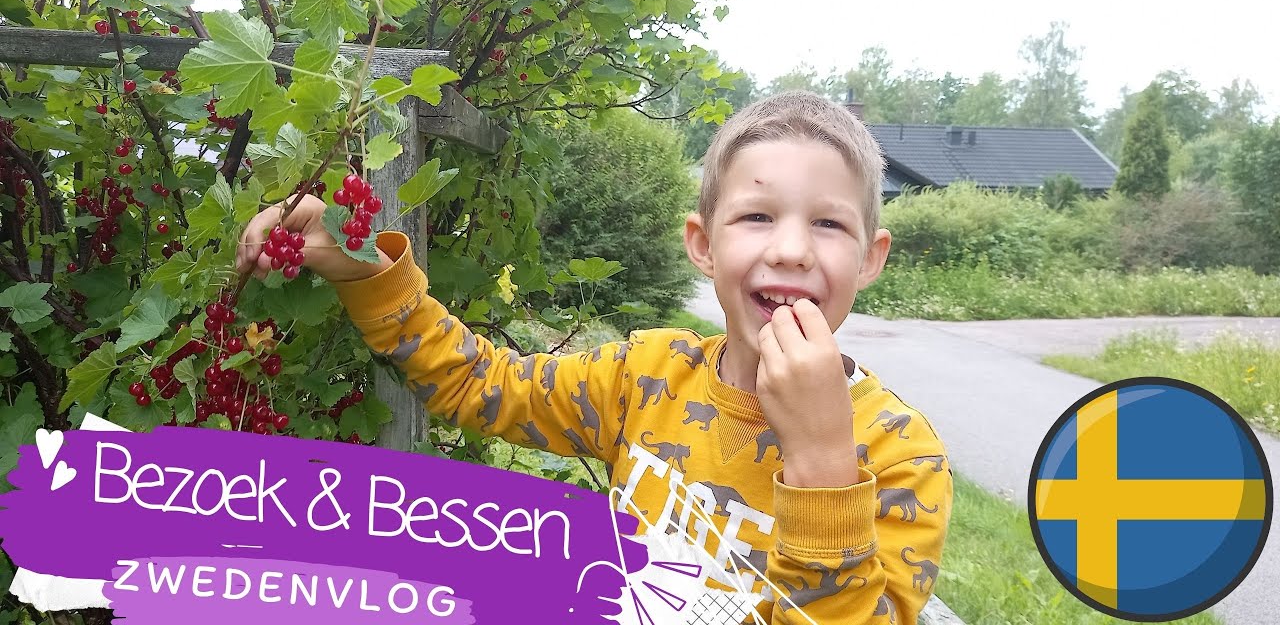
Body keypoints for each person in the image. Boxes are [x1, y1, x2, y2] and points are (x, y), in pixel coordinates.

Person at [236, 90, 951, 623]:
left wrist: (824, 464)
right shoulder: (644, 378)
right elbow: (481, 383)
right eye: (757, 216)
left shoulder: (902, 457)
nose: (791, 248)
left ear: (870, 258)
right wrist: (354, 266)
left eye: (828, 223)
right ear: (702, 244)